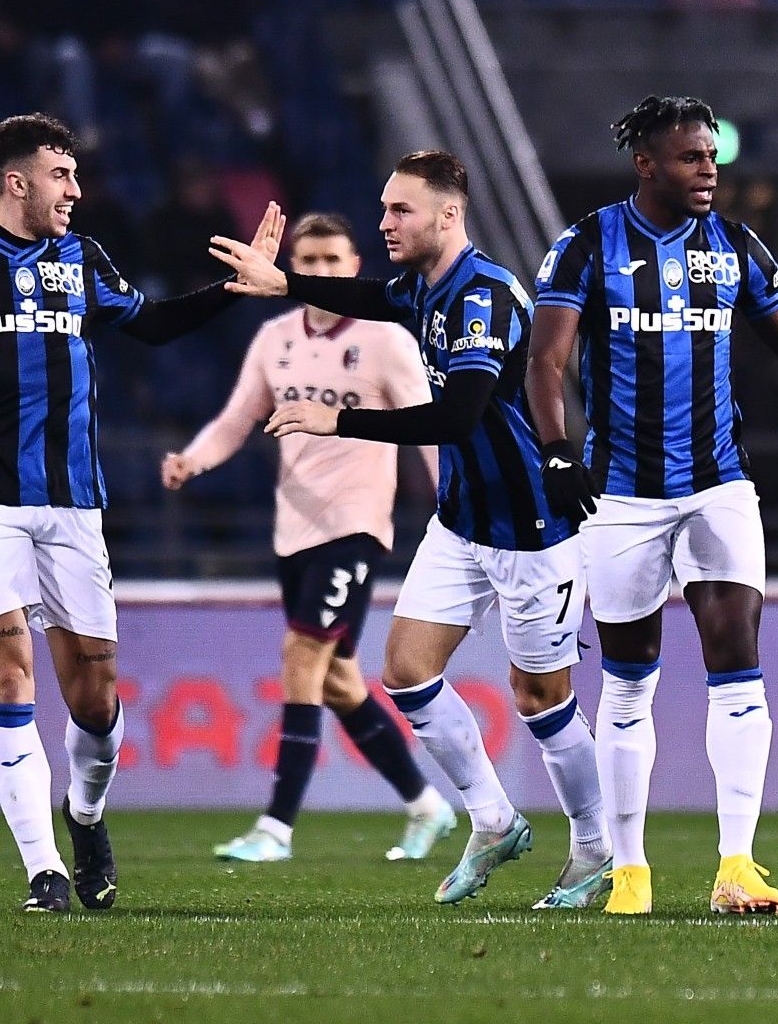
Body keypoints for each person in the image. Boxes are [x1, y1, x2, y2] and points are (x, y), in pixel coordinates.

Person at [0, 112, 282, 914]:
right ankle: (42, 870)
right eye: (61, 175)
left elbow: (149, 325)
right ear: (17, 183)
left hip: (73, 505)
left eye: (75, 175)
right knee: (7, 666)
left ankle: (86, 814)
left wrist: (231, 293)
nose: (75, 190)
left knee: (96, 701)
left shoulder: (83, 258)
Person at [524, 95, 778, 916]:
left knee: (739, 665)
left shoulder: (735, 247)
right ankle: (630, 872)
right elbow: (546, 361)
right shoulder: (586, 247)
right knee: (627, 685)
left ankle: (737, 864)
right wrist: (556, 449)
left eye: (713, 158)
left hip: (719, 484)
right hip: (620, 496)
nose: (709, 172)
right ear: (647, 163)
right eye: (692, 158)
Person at [207, 151, 612, 909]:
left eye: (400, 211)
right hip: (461, 521)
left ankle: (595, 848)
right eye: (384, 208)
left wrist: (341, 420)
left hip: (530, 527)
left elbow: (458, 413)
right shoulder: (423, 289)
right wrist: (284, 284)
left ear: (448, 215)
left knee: (541, 698)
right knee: (406, 671)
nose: (385, 222)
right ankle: (492, 820)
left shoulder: (483, 297)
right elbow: (366, 294)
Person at [161, 211, 455, 865]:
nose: (320, 272)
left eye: (332, 263)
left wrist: (452, 502)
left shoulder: (386, 342)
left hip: (355, 527)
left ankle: (275, 828)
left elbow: (430, 427)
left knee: (301, 659)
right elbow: (237, 419)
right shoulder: (274, 339)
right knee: (339, 683)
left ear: (354, 269)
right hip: (293, 531)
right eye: (309, 262)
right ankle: (426, 805)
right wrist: (193, 459)